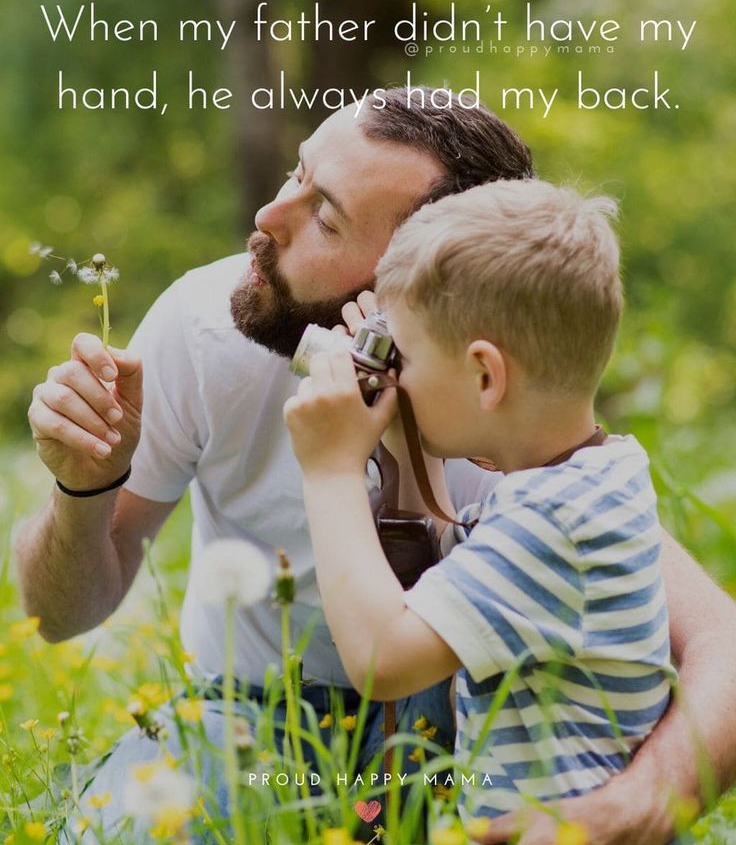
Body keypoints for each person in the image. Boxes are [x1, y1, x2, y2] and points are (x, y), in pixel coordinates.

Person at [17, 89, 736, 844]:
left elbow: (720, 639)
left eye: (325, 217)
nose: (267, 218)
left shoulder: (514, 419)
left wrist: (645, 799)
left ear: (432, 280)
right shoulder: (208, 330)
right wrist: (82, 485)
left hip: (457, 735)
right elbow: (57, 616)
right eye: (297, 174)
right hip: (257, 720)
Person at [284, 178, 676, 830]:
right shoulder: (596, 474)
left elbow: (385, 660)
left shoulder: (554, 520)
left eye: (400, 356)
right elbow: (468, 573)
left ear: (486, 375)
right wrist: (411, 449)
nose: (392, 375)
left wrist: (331, 472)